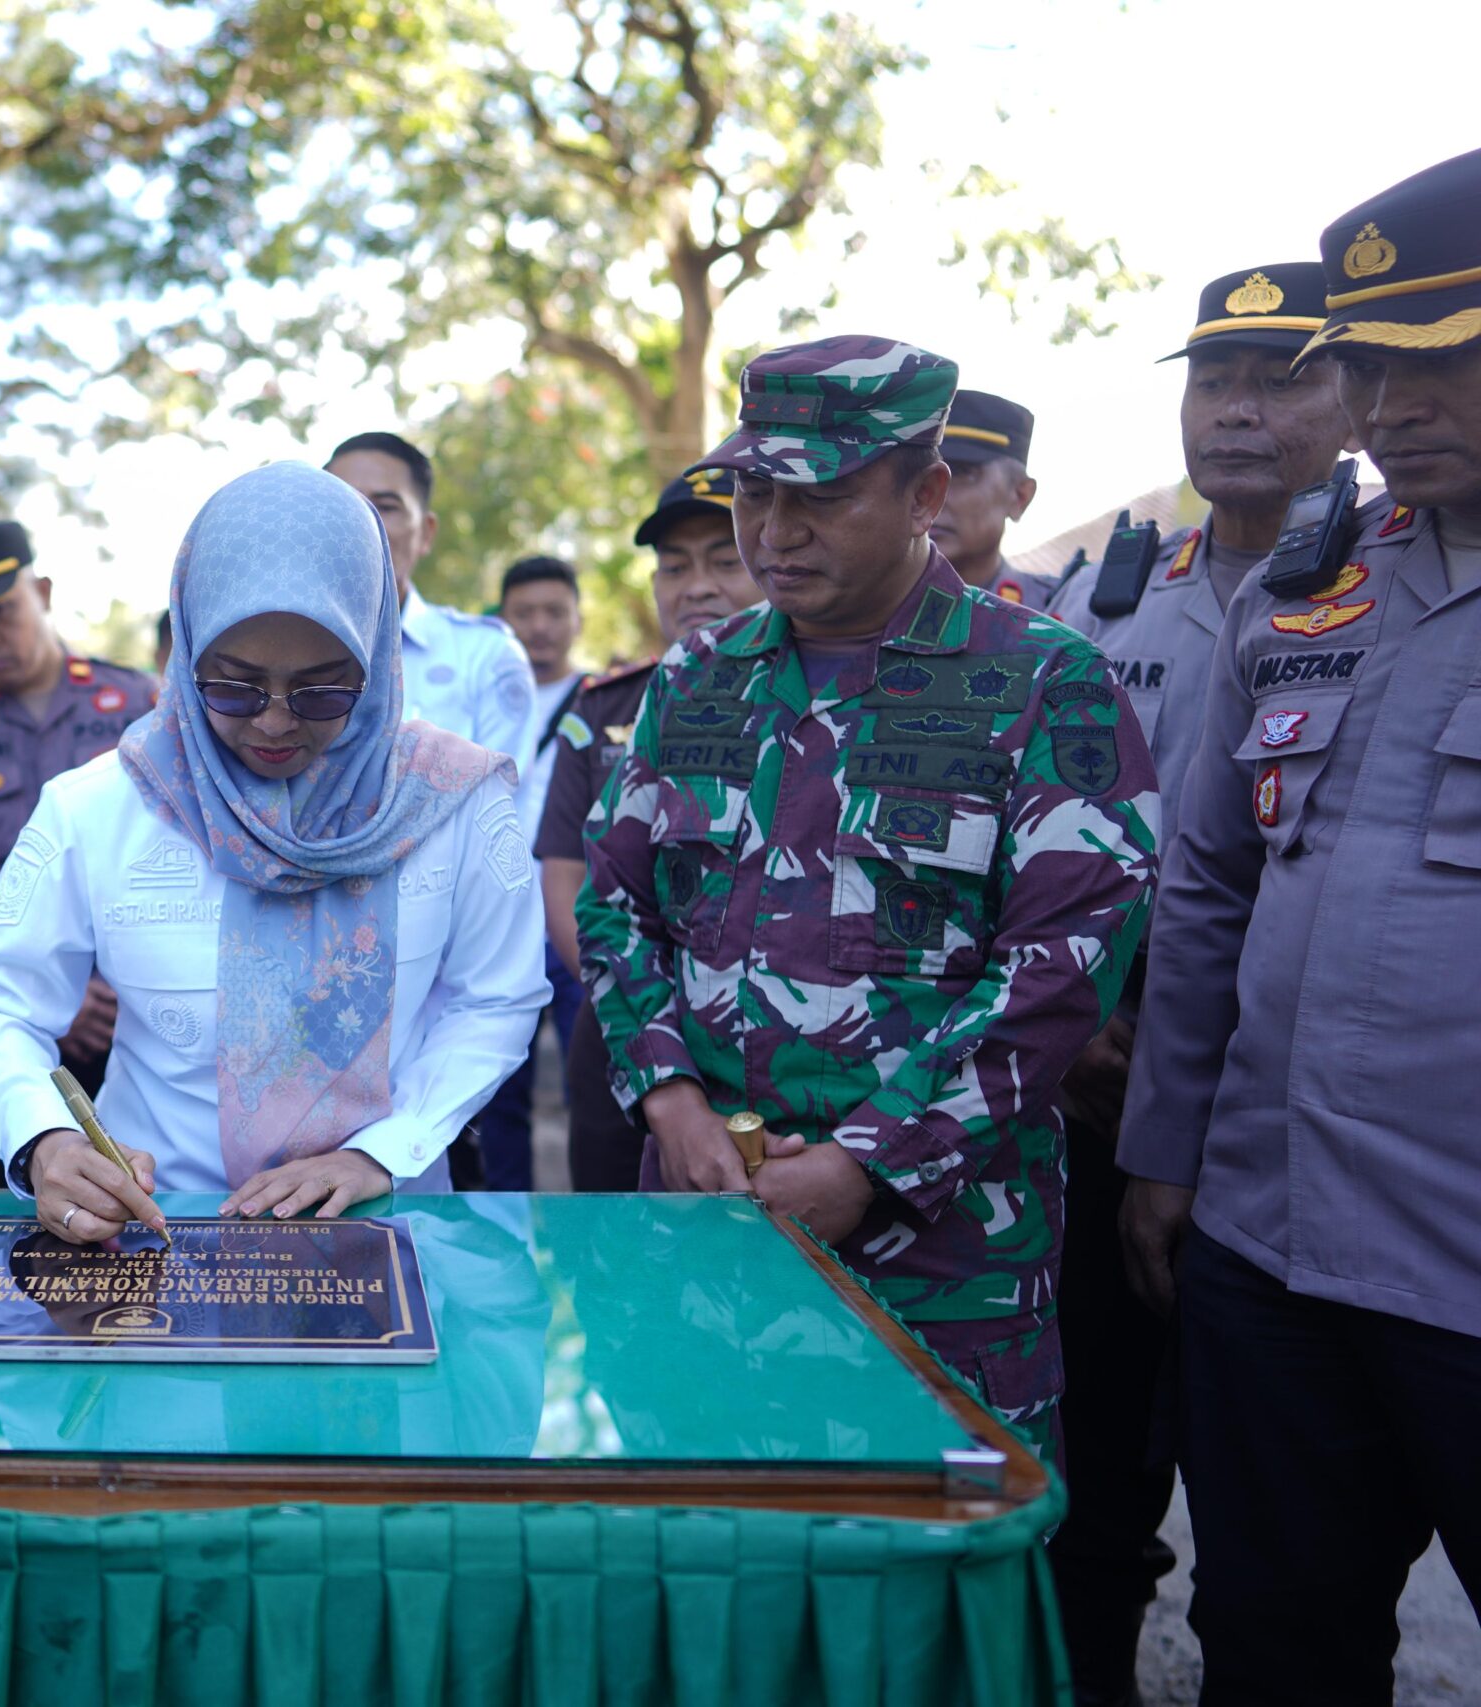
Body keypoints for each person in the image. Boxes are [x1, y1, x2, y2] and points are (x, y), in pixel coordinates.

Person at [575, 336, 1159, 1454]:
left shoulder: (1044, 682)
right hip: (702, 1238)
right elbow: (614, 905)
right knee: (704, 1573)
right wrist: (669, 1100)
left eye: (822, 495)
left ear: (925, 492)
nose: (772, 531)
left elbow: (1063, 967)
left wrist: (872, 1165)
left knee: (925, 1601)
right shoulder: (696, 678)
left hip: (938, 1273)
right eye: (754, 487)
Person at [1116, 149, 1481, 1703]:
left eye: (1446, 355)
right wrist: (1162, 1151)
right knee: (1273, 1641)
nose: (1399, 400)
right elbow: (1203, 889)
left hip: (1463, 1262)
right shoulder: (1308, 598)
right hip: (1268, 1247)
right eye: (1375, 363)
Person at [0, 462, 546, 1240]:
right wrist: (45, 1139)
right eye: (233, 688)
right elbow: (0, 1006)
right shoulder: (97, 806)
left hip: (384, 1226)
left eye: (323, 693)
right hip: (157, 1233)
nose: (273, 723)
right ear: (187, 658)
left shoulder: (456, 801)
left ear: (376, 655)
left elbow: (494, 998)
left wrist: (381, 1153)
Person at [1043, 256, 1346, 1703]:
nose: (1239, 410)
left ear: (1354, 396)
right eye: (1216, 378)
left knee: (1279, 1516)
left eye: (1284, 378)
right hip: (1103, 1084)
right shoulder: (1107, 603)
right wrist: (1083, 1021)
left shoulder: (1384, 591)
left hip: (1296, 1108)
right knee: (1092, 1468)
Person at [0, 520, 154, 1186]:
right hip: (3, 1039)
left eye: (0, 611)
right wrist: (46, 996)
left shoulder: (135, 702)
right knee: (9, 1242)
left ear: (41, 591)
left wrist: (110, 989)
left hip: (134, 1030)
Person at [536, 465, 756, 1191]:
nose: (696, 585)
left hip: (773, 1045)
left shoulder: (832, 700)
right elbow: (567, 879)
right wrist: (629, 999)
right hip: (619, 1032)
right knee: (610, 1265)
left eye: (725, 560)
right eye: (674, 566)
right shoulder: (602, 710)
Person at [468, 553, 589, 1189]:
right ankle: (507, 1237)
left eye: (554, 612)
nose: (540, 626)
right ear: (502, 620)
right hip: (498, 929)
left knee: (588, 1093)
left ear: (578, 618)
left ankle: (582, 1244)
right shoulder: (481, 697)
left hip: (574, 924)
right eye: (524, 614)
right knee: (496, 1097)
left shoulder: (605, 699)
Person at [325, 431, 536, 766]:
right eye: (342, 504)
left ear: (426, 532)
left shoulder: (485, 657)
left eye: (385, 506)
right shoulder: (268, 646)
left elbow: (506, 804)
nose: (362, 523)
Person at [932, 389, 1057, 609]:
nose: (929, 496)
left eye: (961, 473)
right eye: (917, 475)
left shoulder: (1060, 612)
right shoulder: (862, 610)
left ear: (1020, 496)